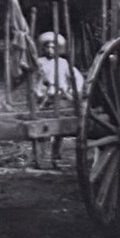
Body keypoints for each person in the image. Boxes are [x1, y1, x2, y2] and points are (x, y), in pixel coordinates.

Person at [33, 32, 83, 168]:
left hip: (59, 98)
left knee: (59, 129)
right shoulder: (39, 62)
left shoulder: (63, 63)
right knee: (41, 130)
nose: (50, 50)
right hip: (44, 99)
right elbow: (34, 80)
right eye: (47, 47)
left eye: (53, 47)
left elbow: (76, 77)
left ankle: (55, 157)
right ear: (43, 49)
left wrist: (73, 91)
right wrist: (39, 92)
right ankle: (39, 158)